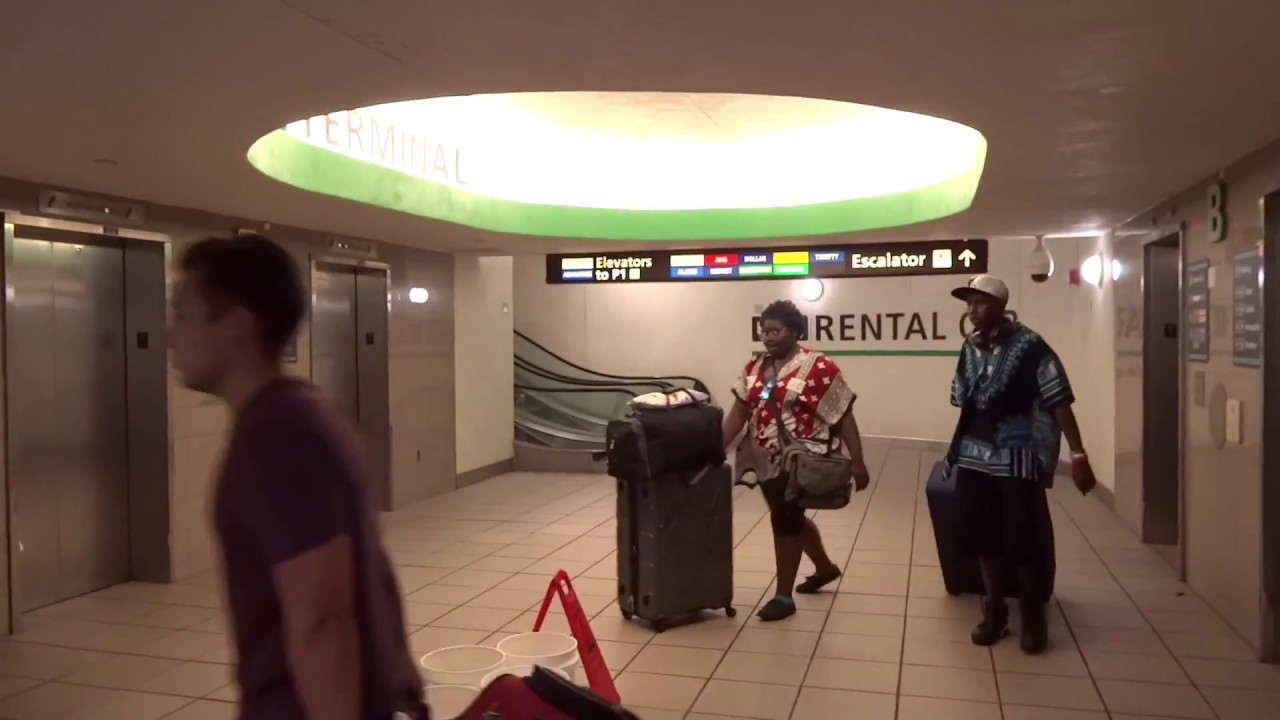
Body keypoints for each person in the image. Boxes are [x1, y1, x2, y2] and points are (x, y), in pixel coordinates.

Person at [169, 234, 426, 720]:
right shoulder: (305, 411)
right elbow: (372, 570)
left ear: (236, 326)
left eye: (182, 314)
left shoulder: (277, 438)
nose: (169, 335)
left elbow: (322, 621)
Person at [944, 274, 1097, 655]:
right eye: (968, 304)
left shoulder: (1031, 346)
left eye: (979, 303)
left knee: (1022, 539)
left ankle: (1032, 615)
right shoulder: (971, 346)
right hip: (974, 457)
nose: (972, 310)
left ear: (999, 304)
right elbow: (961, 395)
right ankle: (995, 611)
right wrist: (974, 353)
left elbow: (1059, 399)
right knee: (982, 538)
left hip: (1018, 458)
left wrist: (1078, 456)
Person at [722, 299, 873, 622]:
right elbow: (738, 413)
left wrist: (857, 461)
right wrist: (715, 449)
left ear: (795, 331)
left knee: (785, 520)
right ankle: (825, 568)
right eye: (764, 331)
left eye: (775, 330)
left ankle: (783, 596)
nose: (768, 337)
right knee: (789, 517)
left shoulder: (818, 367)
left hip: (802, 459)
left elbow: (843, 415)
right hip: (765, 461)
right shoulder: (754, 369)